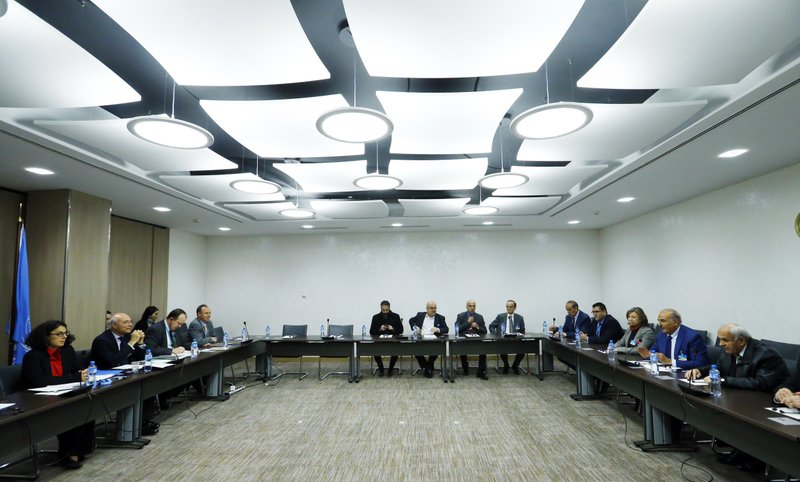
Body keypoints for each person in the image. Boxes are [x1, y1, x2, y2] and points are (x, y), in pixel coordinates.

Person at [21, 320, 95, 469]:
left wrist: (81, 373)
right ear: (45, 337)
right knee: (70, 412)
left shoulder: (67, 350)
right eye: (59, 334)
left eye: (65, 333)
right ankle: (68, 455)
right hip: (38, 398)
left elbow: (75, 370)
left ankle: (79, 451)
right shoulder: (33, 356)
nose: (64, 337)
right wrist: (73, 378)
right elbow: (39, 381)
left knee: (88, 405)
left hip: (62, 392)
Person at [89, 313, 159, 435]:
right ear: (114, 326)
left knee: (148, 387)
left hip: (124, 375)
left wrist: (141, 343)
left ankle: (142, 422)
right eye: (125, 322)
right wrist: (132, 343)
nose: (130, 324)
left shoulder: (127, 337)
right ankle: (132, 426)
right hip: (106, 378)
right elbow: (115, 362)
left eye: (130, 321)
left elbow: (141, 358)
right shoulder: (102, 340)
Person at [686, 324, 788, 392]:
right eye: (720, 340)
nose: (721, 344)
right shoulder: (729, 349)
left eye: (725, 340)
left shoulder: (766, 354)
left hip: (759, 404)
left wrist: (723, 380)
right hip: (735, 397)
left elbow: (761, 383)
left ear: (741, 341)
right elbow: (720, 367)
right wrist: (700, 370)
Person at [637, 308, 708, 369]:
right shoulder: (661, 335)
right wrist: (648, 355)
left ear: (675, 322)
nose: (659, 324)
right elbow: (653, 352)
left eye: (663, 321)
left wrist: (670, 362)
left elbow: (701, 363)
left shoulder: (692, 337)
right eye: (658, 320)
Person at [408, 301, 448, 378]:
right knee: (415, 349)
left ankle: (427, 367)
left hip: (434, 340)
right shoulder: (420, 315)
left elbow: (446, 329)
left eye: (435, 308)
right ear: (427, 309)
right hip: (421, 339)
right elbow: (411, 320)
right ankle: (428, 367)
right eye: (431, 308)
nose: (433, 310)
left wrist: (438, 329)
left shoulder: (440, 318)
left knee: (437, 349)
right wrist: (415, 327)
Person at [489, 300, 526, 374]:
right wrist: (496, 334)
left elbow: (522, 330)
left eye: (511, 307)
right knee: (502, 347)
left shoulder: (520, 318)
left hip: (516, 339)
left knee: (523, 349)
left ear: (514, 308)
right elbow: (491, 326)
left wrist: (519, 334)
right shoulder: (500, 316)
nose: (508, 308)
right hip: (503, 339)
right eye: (507, 306)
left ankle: (515, 365)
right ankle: (506, 365)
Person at [455, 299, 488, 380]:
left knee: (483, 350)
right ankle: (465, 368)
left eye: (473, 306)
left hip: (476, 340)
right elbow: (457, 330)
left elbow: (485, 331)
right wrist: (468, 322)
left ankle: (481, 371)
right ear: (466, 307)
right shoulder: (461, 316)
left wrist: (477, 327)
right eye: (470, 306)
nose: (472, 308)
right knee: (462, 348)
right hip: (464, 340)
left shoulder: (479, 317)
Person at [369, 300, 403, 377]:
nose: (385, 312)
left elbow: (401, 330)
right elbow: (371, 331)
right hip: (379, 340)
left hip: (393, 340)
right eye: (383, 310)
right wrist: (380, 329)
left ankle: (390, 369)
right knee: (375, 349)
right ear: (380, 308)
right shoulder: (375, 317)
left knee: (396, 349)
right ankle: (381, 369)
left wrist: (393, 328)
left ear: (389, 308)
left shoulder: (396, 316)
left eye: (386, 310)